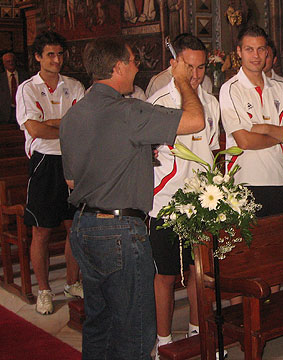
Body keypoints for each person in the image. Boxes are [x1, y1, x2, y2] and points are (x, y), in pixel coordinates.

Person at [60, 39, 205, 360]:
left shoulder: (73, 115)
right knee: (136, 331)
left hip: (84, 227)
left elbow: (71, 179)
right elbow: (196, 121)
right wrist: (180, 79)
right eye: (133, 62)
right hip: (120, 230)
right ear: (117, 68)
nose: (137, 68)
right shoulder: (129, 110)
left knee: (100, 322)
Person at [147, 34, 220, 356]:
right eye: (188, 66)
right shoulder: (160, 103)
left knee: (198, 272)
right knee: (164, 276)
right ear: (173, 64)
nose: (195, 75)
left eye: (201, 67)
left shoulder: (212, 102)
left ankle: (197, 329)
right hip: (165, 203)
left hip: (202, 203)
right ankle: (163, 340)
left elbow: (214, 151)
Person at [15, 31, 85, 315]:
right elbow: (35, 129)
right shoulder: (28, 89)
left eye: (60, 54)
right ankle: (44, 289)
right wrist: (62, 124)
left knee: (75, 227)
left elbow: (80, 126)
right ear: (38, 57)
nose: (57, 60)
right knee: (41, 230)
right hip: (45, 161)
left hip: (73, 159)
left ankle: (72, 282)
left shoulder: (75, 86)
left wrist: (52, 123)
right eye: (50, 55)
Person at [219, 25, 283, 217]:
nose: (256, 55)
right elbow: (245, 141)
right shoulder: (231, 88)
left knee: (279, 244)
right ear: (239, 52)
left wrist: (265, 128)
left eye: (261, 49)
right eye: (249, 49)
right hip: (245, 181)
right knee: (249, 246)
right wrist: (278, 135)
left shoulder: (281, 89)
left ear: (267, 52)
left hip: (279, 178)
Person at [146, 64, 213, 98]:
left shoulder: (206, 81)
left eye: (200, 67)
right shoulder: (159, 82)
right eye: (189, 67)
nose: (195, 75)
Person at [1, 51, 28, 124]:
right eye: (8, 61)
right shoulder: (1, 78)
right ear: (4, 63)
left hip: (23, 111)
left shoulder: (25, 76)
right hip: (5, 115)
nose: (11, 63)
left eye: (12, 61)